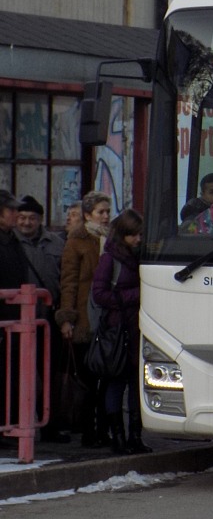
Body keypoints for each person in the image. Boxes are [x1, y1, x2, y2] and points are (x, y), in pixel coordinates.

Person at [55, 190, 112, 447]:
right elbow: (68, 282)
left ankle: (105, 430)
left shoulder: (111, 239)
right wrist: (67, 318)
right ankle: (89, 431)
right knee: (88, 379)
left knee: (107, 378)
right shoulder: (76, 241)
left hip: (107, 316)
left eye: (108, 211)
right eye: (101, 212)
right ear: (88, 215)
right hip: (85, 317)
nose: (106, 216)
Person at [91, 209, 150, 455]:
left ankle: (135, 436)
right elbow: (99, 294)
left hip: (137, 328)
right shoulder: (110, 259)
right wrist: (136, 295)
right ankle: (118, 437)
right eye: (133, 235)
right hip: (118, 329)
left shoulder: (141, 256)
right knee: (116, 381)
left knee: (137, 383)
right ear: (122, 235)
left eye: (140, 234)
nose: (138, 239)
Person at [15, 195, 70, 443]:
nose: (26, 223)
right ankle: (18, 424)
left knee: (50, 375)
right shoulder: (10, 243)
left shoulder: (56, 244)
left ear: (40, 220)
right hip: (18, 320)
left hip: (49, 320)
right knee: (17, 374)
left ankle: (50, 425)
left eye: (31, 218)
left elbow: (65, 278)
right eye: (22, 218)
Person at [0, 189, 31, 443]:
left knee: (11, 375)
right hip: (4, 318)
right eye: (11, 210)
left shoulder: (12, 240)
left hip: (15, 320)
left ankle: (8, 426)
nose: (16, 214)